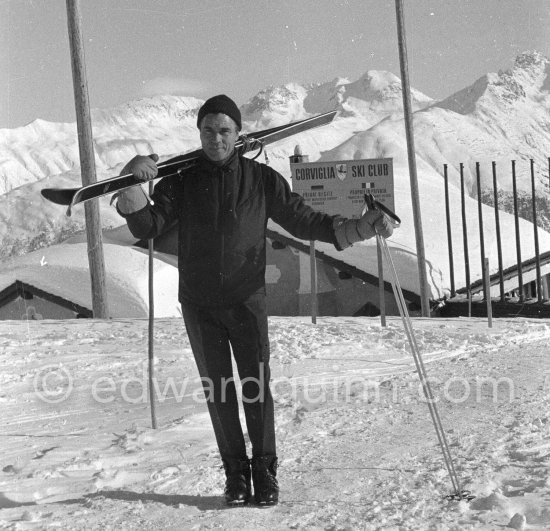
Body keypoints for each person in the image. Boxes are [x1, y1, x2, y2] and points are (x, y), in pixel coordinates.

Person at [115, 94, 393, 506]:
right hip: (199, 302)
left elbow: (305, 220)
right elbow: (149, 226)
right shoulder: (180, 182)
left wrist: (358, 229)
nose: (215, 138)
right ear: (199, 133)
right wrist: (132, 185)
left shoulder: (261, 180)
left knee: (255, 388)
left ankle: (264, 473)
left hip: (247, 299)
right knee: (219, 391)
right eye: (208, 130)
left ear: (238, 133)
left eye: (224, 130)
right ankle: (236, 476)